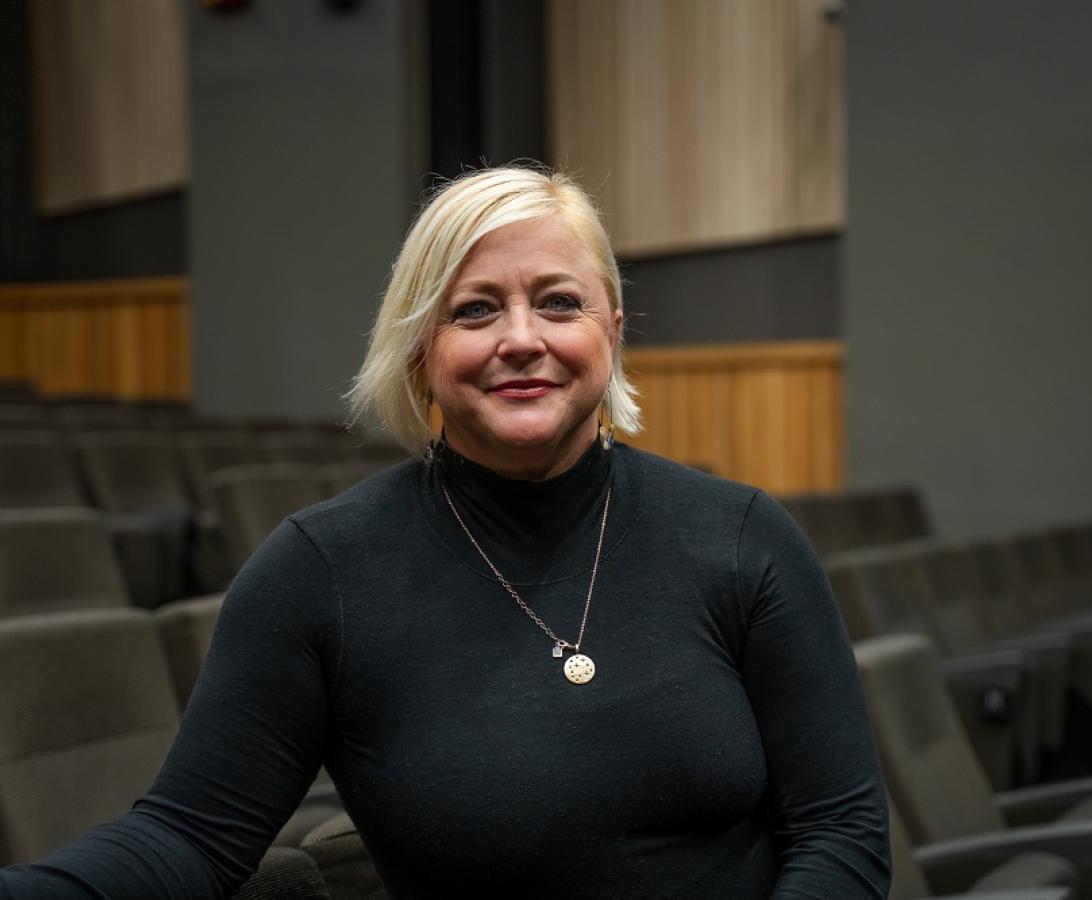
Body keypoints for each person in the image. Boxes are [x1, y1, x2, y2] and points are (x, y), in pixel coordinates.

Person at [0, 167, 890, 898]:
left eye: (559, 302)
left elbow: (840, 833)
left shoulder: (740, 537)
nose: (521, 339)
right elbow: (186, 839)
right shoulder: (321, 572)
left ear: (612, 332)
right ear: (419, 351)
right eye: (474, 311)